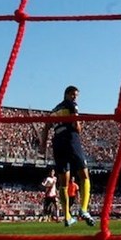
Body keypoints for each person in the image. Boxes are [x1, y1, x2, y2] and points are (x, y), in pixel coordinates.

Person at [40, 85, 95, 227]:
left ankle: (67, 217)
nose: (74, 97)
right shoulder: (72, 105)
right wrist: (78, 127)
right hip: (71, 139)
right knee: (84, 174)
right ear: (66, 94)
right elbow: (77, 126)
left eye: (76, 95)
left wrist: (42, 145)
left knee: (63, 181)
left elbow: (46, 127)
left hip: (57, 142)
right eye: (72, 94)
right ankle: (83, 209)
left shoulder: (54, 110)